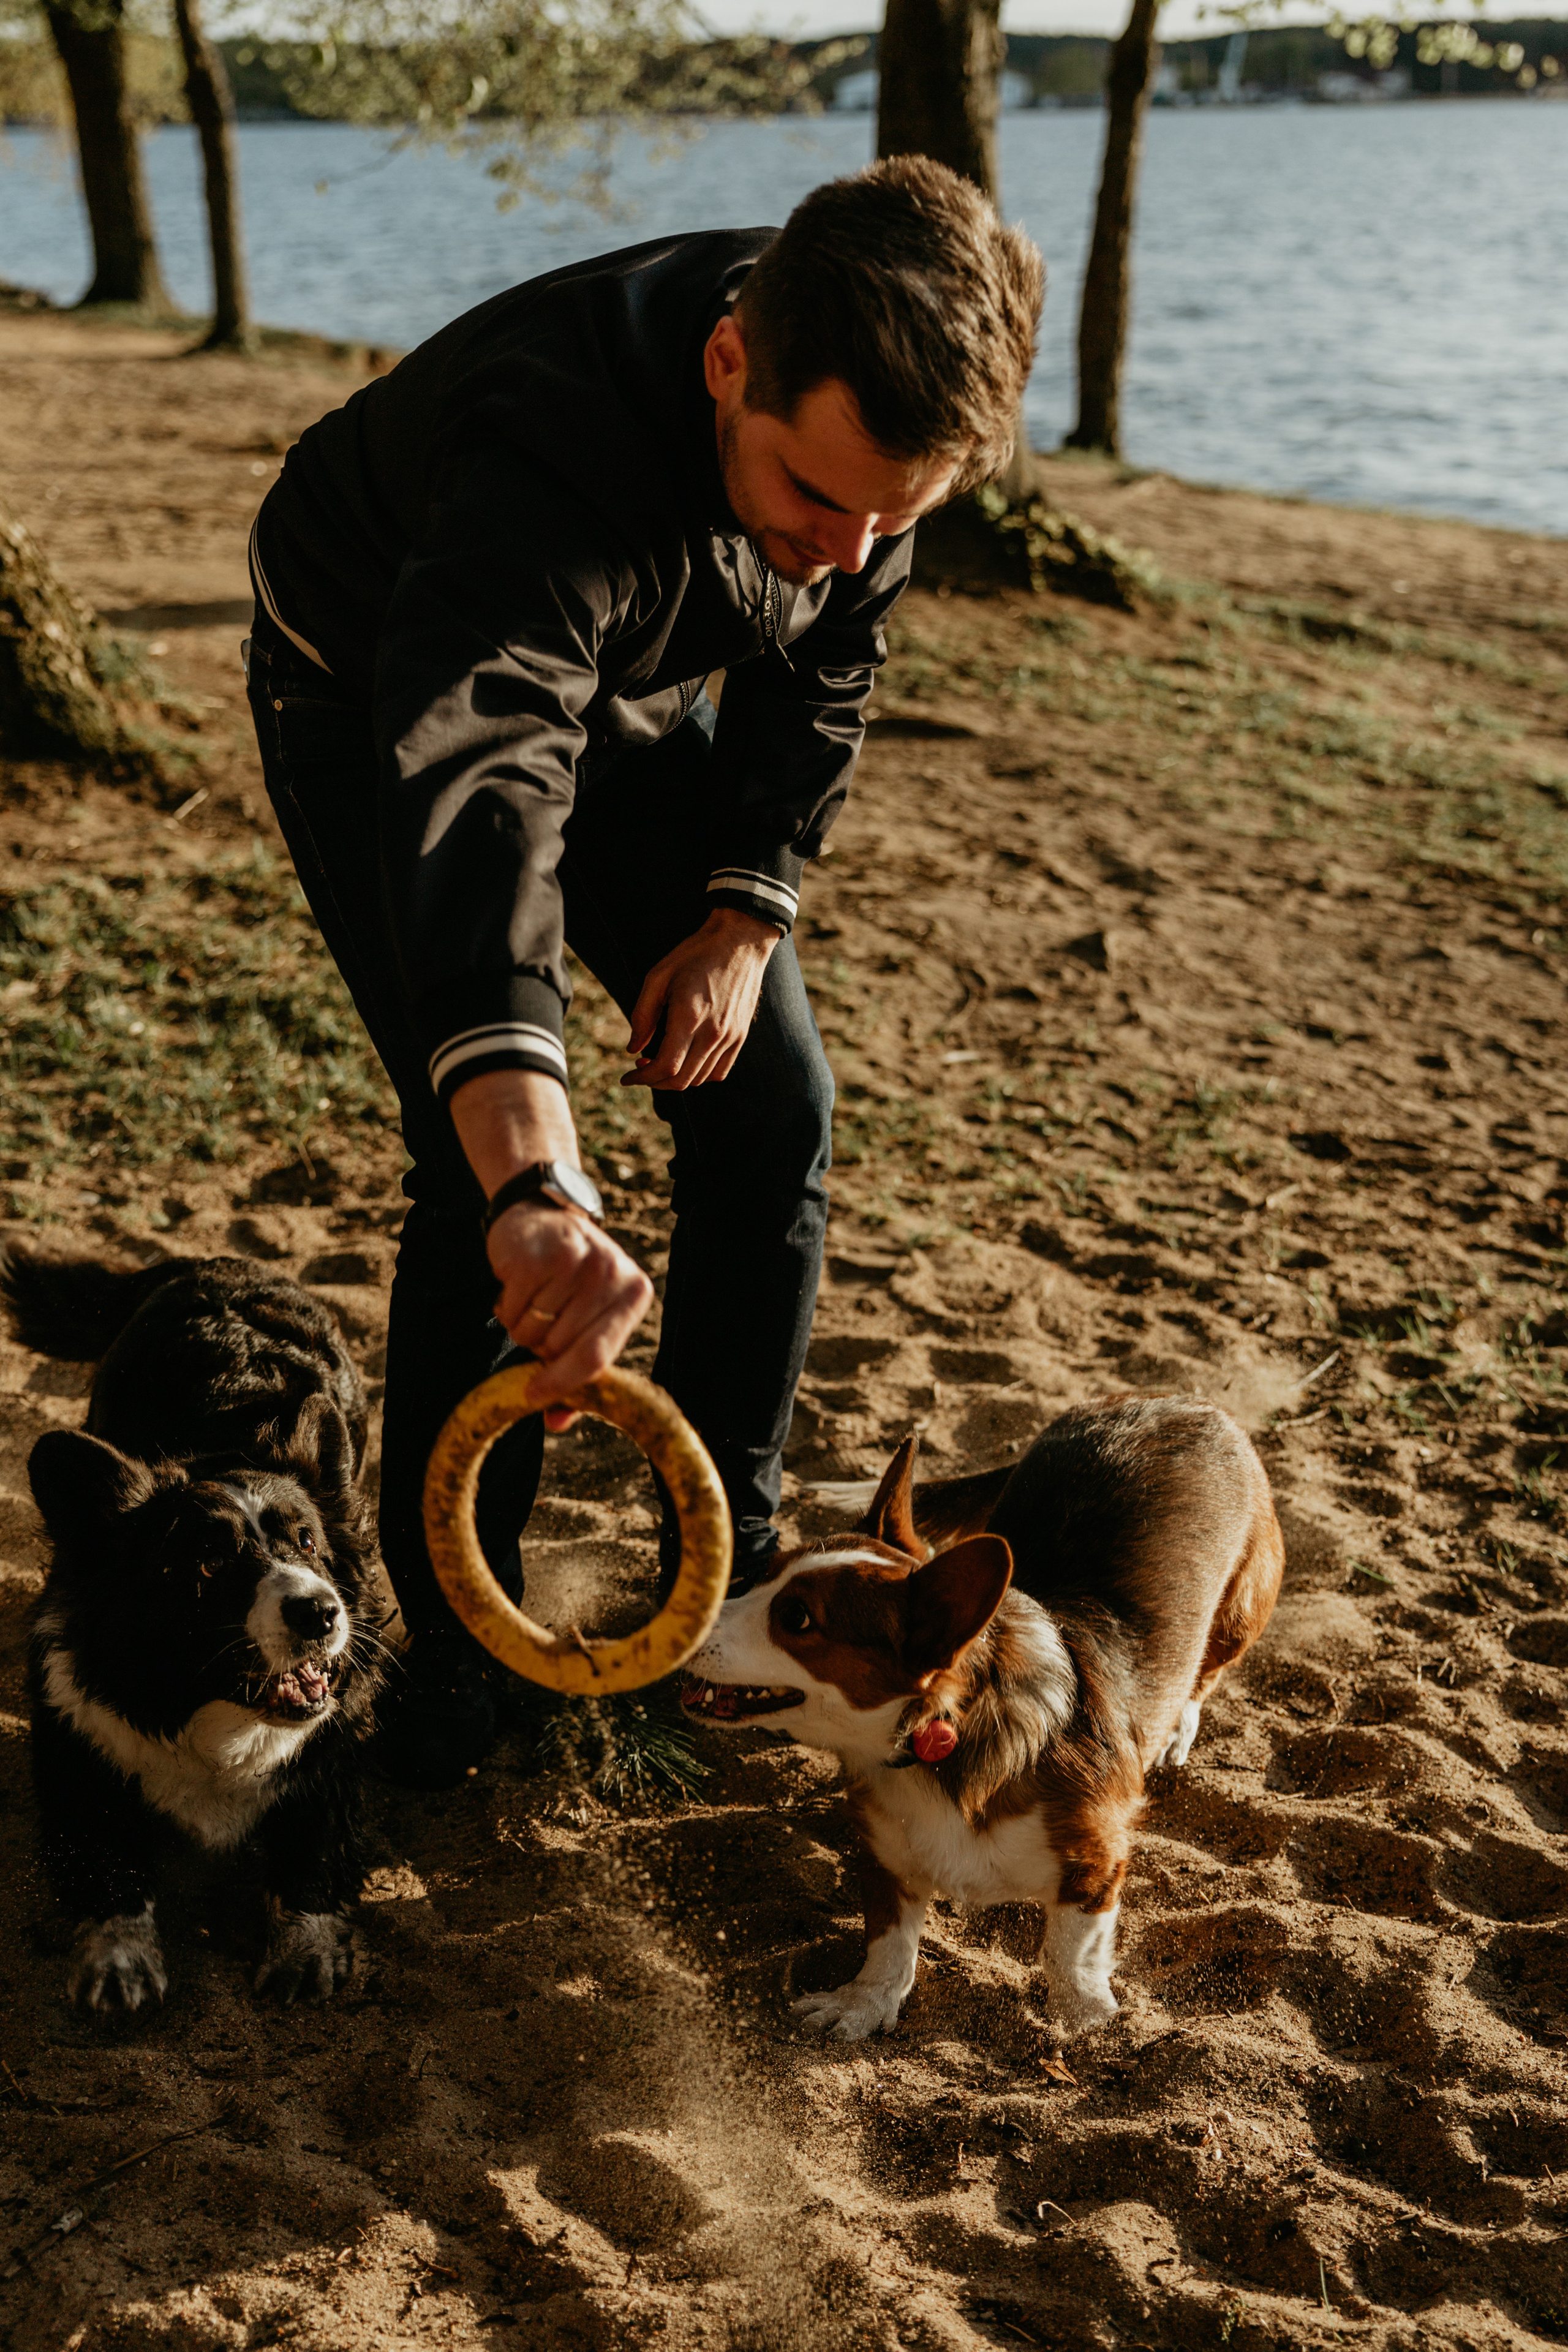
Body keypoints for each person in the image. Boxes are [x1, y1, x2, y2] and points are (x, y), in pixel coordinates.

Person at [243, 156, 1044, 1787]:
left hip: (619, 691)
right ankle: (468, 1669)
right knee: (476, 1187)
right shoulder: (552, 449)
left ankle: (721, 1555)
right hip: (382, 690)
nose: (847, 551)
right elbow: (484, 797)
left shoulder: (862, 447)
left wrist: (747, 909)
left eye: (898, 516)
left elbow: (829, 655)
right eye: (817, 501)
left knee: (777, 1110)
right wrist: (539, 1179)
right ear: (729, 359)